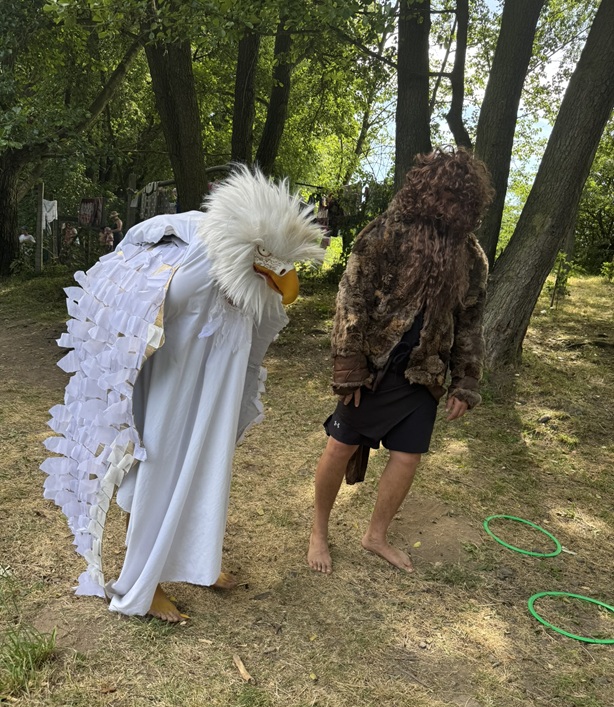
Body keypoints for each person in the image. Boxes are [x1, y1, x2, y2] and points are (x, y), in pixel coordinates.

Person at [42, 167, 325, 622]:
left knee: (208, 468)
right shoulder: (193, 245)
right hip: (172, 382)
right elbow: (139, 288)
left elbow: (270, 309)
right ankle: (143, 582)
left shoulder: (258, 269)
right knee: (159, 465)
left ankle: (198, 562)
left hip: (217, 381)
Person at [307, 147, 494, 575]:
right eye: (444, 195)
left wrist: (466, 381)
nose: (449, 206)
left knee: (407, 457)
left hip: (424, 372)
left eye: (459, 199)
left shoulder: (471, 258)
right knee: (340, 446)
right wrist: (349, 367)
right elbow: (351, 298)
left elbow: (470, 323)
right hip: (373, 368)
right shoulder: (385, 234)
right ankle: (319, 531)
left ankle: (375, 536)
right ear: (426, 191)